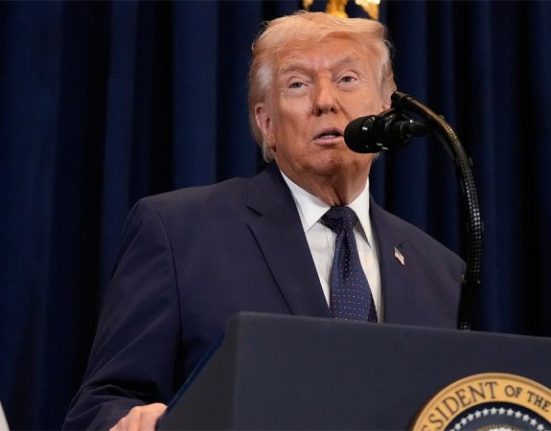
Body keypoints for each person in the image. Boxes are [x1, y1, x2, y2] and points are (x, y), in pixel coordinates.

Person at [63, 11, 464, 431]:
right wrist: (134, 422)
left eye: (347, 79)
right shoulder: (179, 233)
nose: (325, 100)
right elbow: (100, 405)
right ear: (266, 123)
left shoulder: (439, 272)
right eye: (298, 84)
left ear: (385, 109)